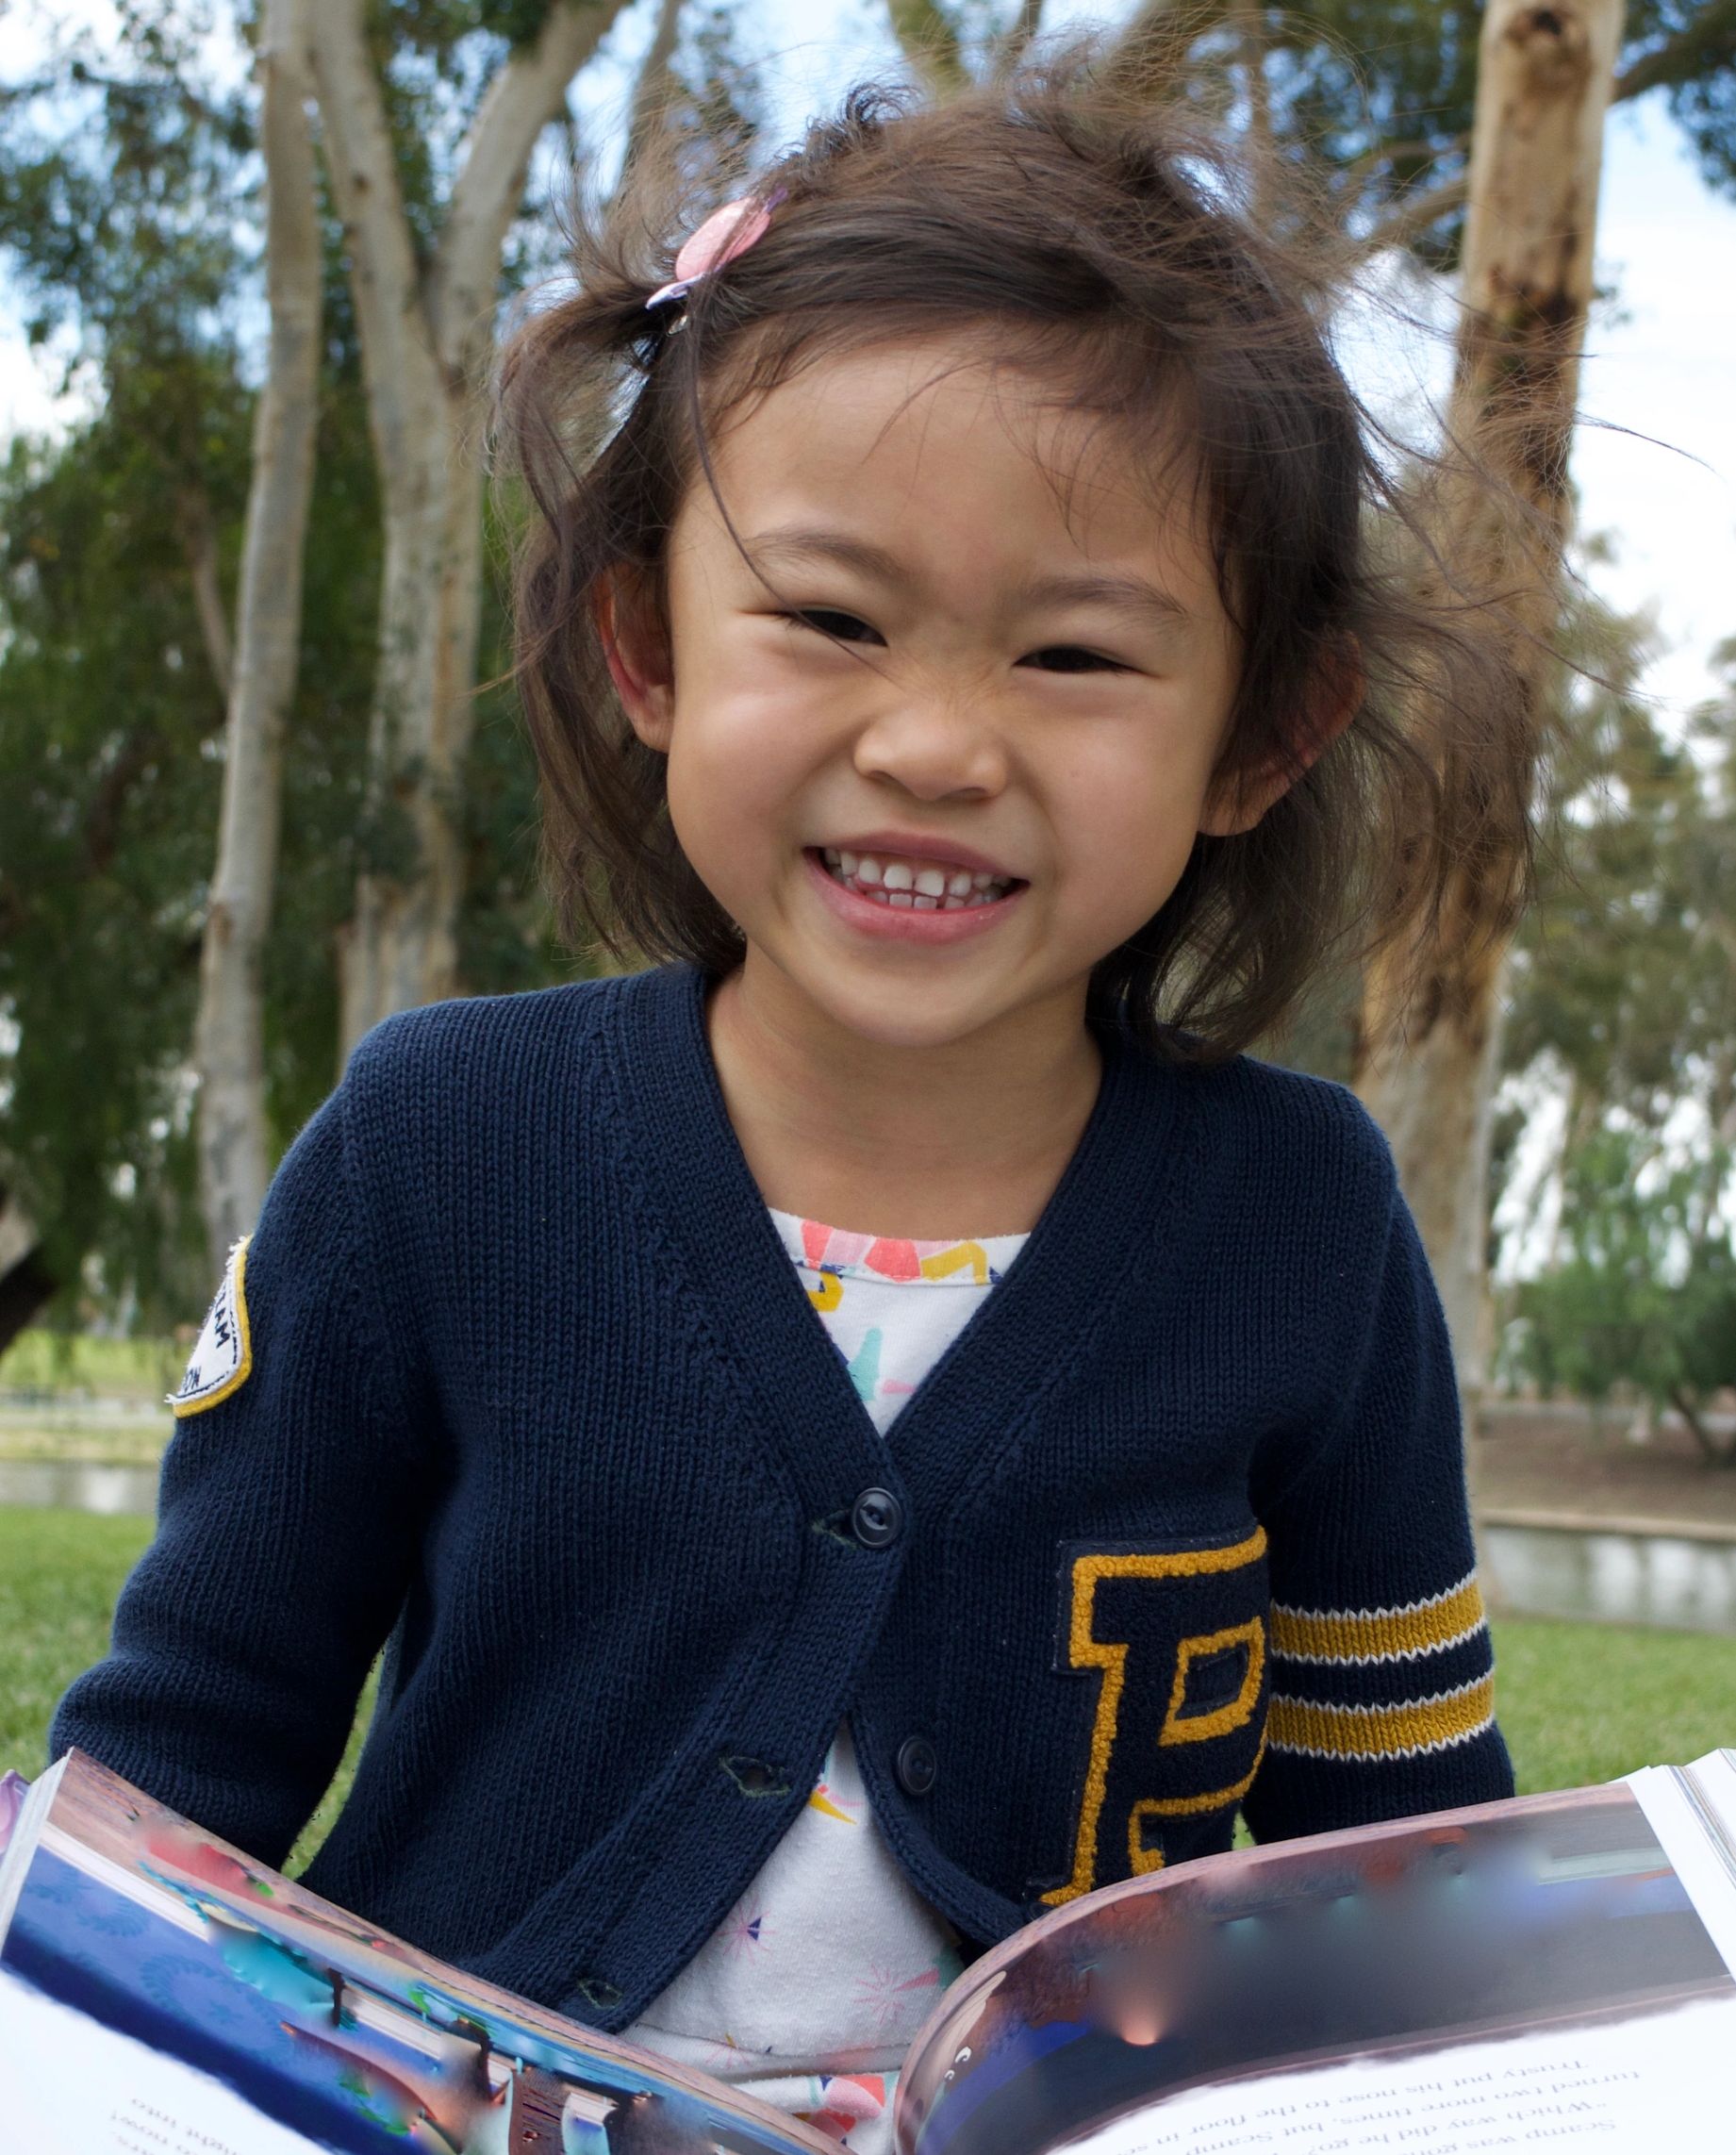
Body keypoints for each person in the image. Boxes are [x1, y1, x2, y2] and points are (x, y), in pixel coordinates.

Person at [52, 59, 1535, 2155]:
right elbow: (178, 1760)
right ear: (648, 644)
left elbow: (1406, 1857)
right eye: (831, 620)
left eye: (1077, 658)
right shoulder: (439, 1146)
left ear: (1262, 738)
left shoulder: (1303, 1220)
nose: (934, 744)